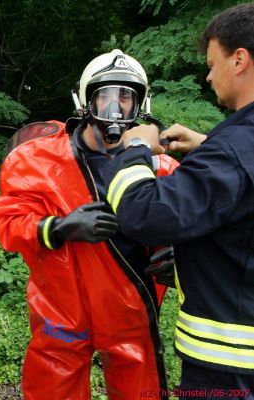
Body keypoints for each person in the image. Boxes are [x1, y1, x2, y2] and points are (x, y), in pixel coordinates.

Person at [0, 49, 179, 399]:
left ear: (141, 106)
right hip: (61, 311)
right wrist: (58, 228)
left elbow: (190, 225)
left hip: (130, 311)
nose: (115, 110)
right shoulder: (37, 160)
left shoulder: (160, 167)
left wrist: (176, 255)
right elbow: (8, 224)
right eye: (105, 97)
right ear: (85, 101)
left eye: (125, 98)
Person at [102, 3, 254, 397]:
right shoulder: (233, 147)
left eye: (211, 62)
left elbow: (145, 213)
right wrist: (208, 146)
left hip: (230, 366)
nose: (206, 75)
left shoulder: (234, 150)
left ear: (239, 60)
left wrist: (135, 151)